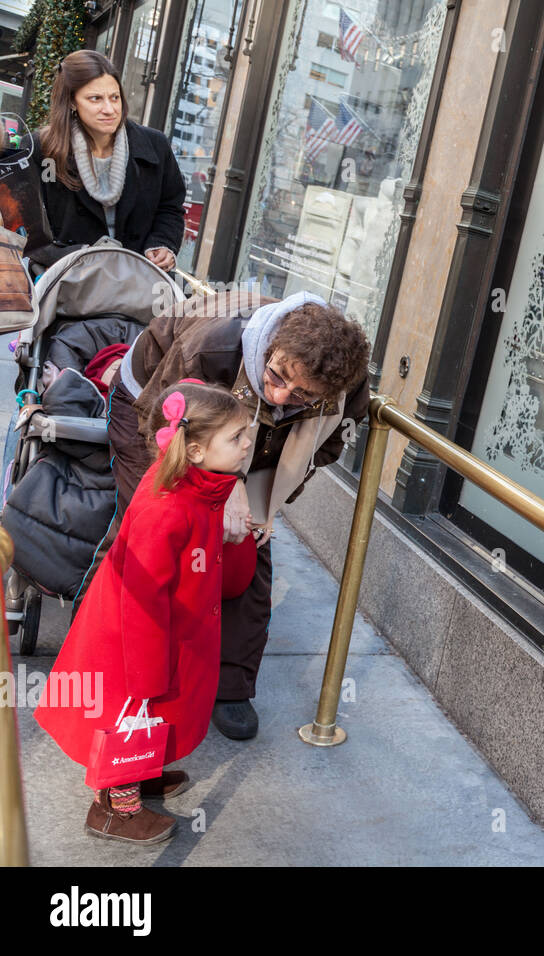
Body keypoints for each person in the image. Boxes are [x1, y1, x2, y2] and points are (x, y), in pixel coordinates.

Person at [104, 290, 371, 740]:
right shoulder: (213, 348)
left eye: (303, 394)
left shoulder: (347, 387)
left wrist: (255, 500)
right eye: (277, 376)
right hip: (154, 409)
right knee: (156, 529)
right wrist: (225, 487)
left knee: (247, 551)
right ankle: (121, 660)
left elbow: (324, 448)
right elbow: (159, 423)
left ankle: (230, 685)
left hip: (251, 445)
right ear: (270, 349)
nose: (281, 394)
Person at [35, 383, 253, 845]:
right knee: (130, 716)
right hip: (136, 642)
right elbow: (141, 598)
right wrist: (147, 670)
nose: (248, 443)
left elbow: (225, 577)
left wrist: (237, 538)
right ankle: (115, 809)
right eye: (237, 437)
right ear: (194, 450)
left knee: (158, 714)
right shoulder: (165, 507)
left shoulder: (204, 492)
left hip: (173, 632)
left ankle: (144, 769)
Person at [26, 49, 185, 271]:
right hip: (68, 281)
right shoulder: (41, 151)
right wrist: (77, 256)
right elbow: (28, 230)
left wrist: (162, 244)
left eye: (115, 97)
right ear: (72, 102)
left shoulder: (155, 146)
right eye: (95, 99)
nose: (109, 109)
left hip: (136, 279)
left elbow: (170, 207)